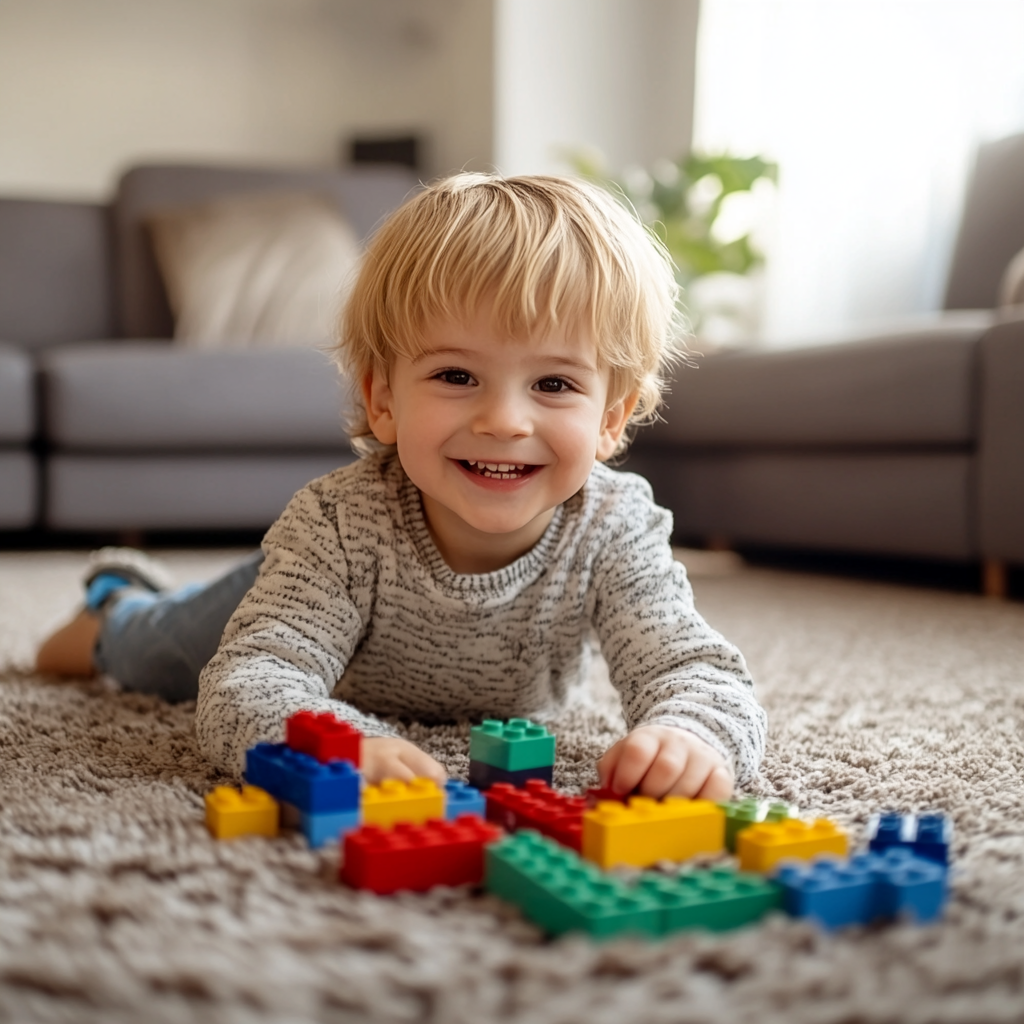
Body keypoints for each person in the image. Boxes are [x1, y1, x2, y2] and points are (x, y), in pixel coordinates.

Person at [37, 173, 766, 800]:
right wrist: (336, 742)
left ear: (611, 418)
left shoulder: (614, 526)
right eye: (456, 376)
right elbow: (251, 680)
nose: (505, 421)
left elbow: (692, 666)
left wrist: (690, 733)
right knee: (155, 658)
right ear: (383, 398)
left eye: (553, 383)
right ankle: (120, 603)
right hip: (305, 595)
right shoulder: (335, 524)